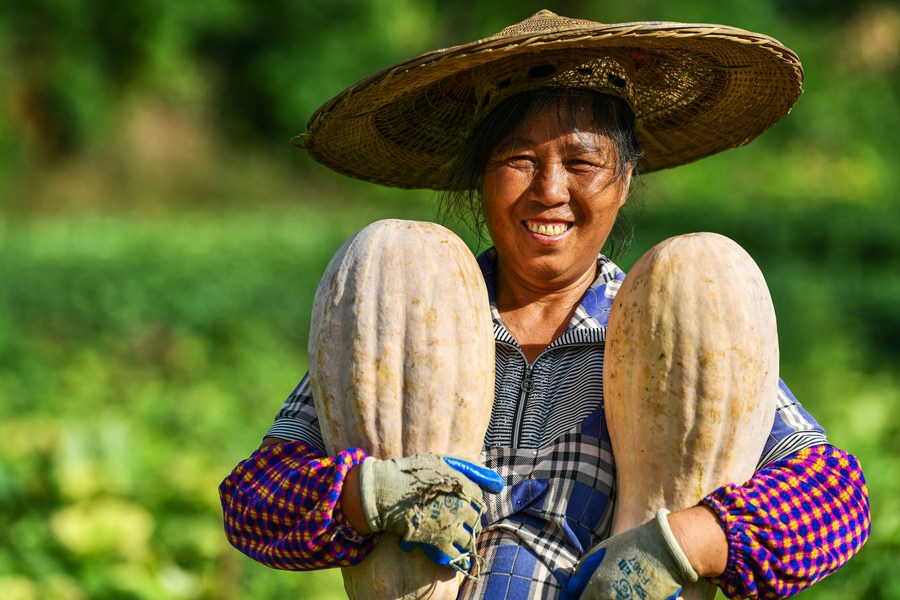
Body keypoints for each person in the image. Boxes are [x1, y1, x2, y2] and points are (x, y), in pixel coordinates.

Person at [219, 10, 870, 599]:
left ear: (625, 178)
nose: (549, 191)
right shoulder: (404, 318)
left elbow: (837, 500)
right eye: (519, 160)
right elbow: (253, 503)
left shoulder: (677, 327)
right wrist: (373, 495)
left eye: (582, 162)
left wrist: (686, 544)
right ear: (480, 176)